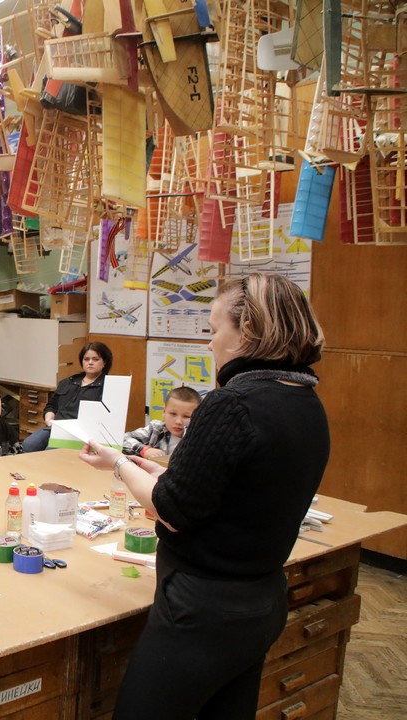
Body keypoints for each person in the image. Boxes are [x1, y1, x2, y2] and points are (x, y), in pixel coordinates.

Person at [78, 273, 329, 720]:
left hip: (204, 610)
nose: (210, 343)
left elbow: (172, 509)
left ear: (247, 330)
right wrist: (167, 474)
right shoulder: (307, 402)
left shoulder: (232, 403)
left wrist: (119, 464)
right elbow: (238, 491)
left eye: (214, 330)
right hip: (261, 600)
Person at [22, 341, 112, 452]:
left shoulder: (108, 386)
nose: (90, 362)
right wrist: (49, 420)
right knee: (28, 445)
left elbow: (106, 419)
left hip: (81, 434)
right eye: (86, 359)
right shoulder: (68, 382)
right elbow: (51, 406)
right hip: (56, 427)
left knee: (49, 451)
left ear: (104, 362)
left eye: (95, 359)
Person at [122, 385, 201, 458]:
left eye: (186, 416)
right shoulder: (156, 428)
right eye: (173, 414)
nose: (178, 421)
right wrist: (144, 450)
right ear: (164, 412)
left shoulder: (200, 437)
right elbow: (123, 439)